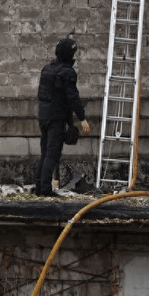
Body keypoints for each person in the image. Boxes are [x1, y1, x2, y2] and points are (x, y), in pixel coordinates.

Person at [35, 37, 91, 197]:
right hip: (55, 117)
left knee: (45, 153)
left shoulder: (47, 69)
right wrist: (82, 118)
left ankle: (39, 187)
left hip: (43, 115)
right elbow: (72, 97)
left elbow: (45, 94)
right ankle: (45, 190)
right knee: (52, 153)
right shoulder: (67, 72)